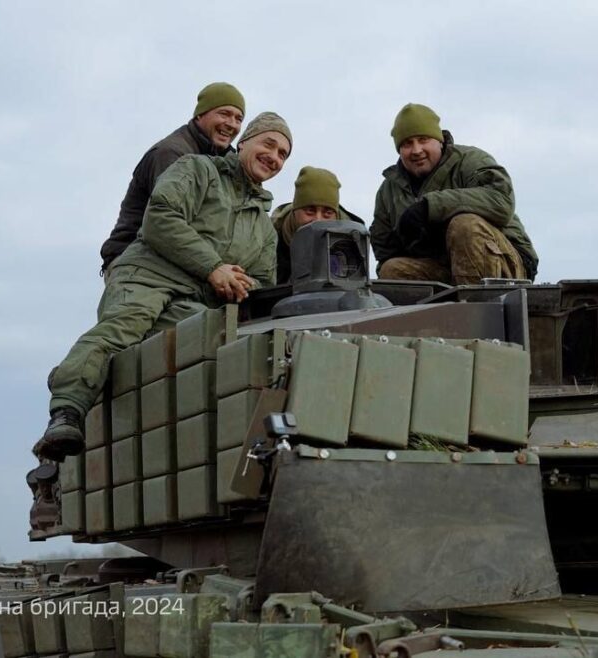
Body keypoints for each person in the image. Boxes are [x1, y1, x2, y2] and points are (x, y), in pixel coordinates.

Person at [35, 112, 293, 461]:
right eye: (269, 144)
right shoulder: (198, 170)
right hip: (148, 274)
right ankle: (66, 412)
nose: (274, 157)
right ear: (244, 141)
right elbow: (160, 217)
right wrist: (214, 267)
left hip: (196, 300)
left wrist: (238, 284)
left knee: (201, 348)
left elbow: (262, 282)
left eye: (283, 154)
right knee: (126, 325)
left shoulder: (262, 227)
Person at [369, 103, 538, 284]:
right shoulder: (389, 190)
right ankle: (441, 310)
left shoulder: (470, 161)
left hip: (505, 263)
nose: (417, 150)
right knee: (391, 270)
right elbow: (385, 249)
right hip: (444, 268)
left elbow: (501, 201)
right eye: (407, 144)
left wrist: (430, 207)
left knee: (465, 225)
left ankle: (477, 308)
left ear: (439, 140)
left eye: (423, 139)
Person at [99, 82, 246, 275]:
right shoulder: (172, 154)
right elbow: (168, 222)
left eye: (238, 118)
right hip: (135, 262)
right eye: (224, 114)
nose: (231, 124)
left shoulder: (225, 160)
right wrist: (215, 268)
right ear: (200, 114)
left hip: (179, 257)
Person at [269, 166, 364, 284]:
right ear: (295, 210)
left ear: (336, 214)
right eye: (310, 211)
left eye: (327, 213)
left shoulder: (353, 239)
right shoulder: (269, 235)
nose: (318, 220)